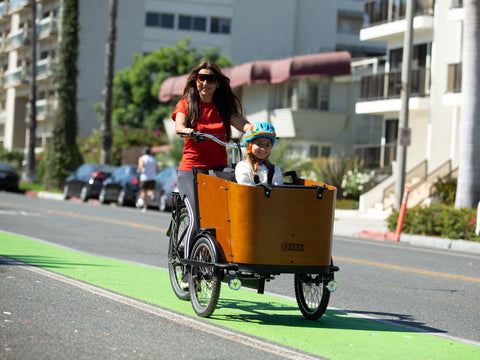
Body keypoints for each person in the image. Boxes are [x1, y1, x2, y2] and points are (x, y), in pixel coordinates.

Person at [172, 62, 251, 262]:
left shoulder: (223, 107)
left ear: (217, 84)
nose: (206, 82)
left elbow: (241, 123)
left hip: (217, 168)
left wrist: (253, 128)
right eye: (201, 78)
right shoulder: (187, 103)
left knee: (225, 214)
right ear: (196, 81)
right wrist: (188, 131)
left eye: (211, 79)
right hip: (191, 168)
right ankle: (188, 263)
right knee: (197, 217)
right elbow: (179, 126)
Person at [235, 122, 283, 186]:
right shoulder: (243, 167)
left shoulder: (275, 170)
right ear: (249, 145)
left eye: (267, 145)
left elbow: (279, 192)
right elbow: (245, 189)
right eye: (259, 144)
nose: (263, 148)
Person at [137, 146, 157, 212]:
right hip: (152, 177)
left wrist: (138, 170)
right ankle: (151, 194)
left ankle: (145, 207)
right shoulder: (153, 159)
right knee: (149, 191)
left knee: (143, 192)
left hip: (144, 178)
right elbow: (157, 168)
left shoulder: (142, 158)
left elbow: (141, 166)